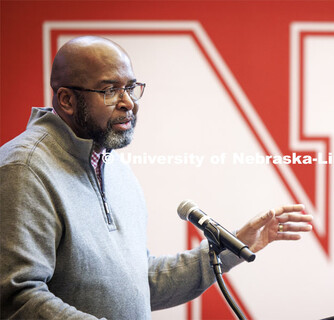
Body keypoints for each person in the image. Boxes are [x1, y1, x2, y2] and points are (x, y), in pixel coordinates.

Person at [0, 36, 313, 319]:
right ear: (66, 100)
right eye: (110, 90)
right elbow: (15, 298)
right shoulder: (25, 170)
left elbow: (142, 281)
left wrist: (231, 249)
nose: (129, 103)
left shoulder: (112, 166)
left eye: (131, 87)